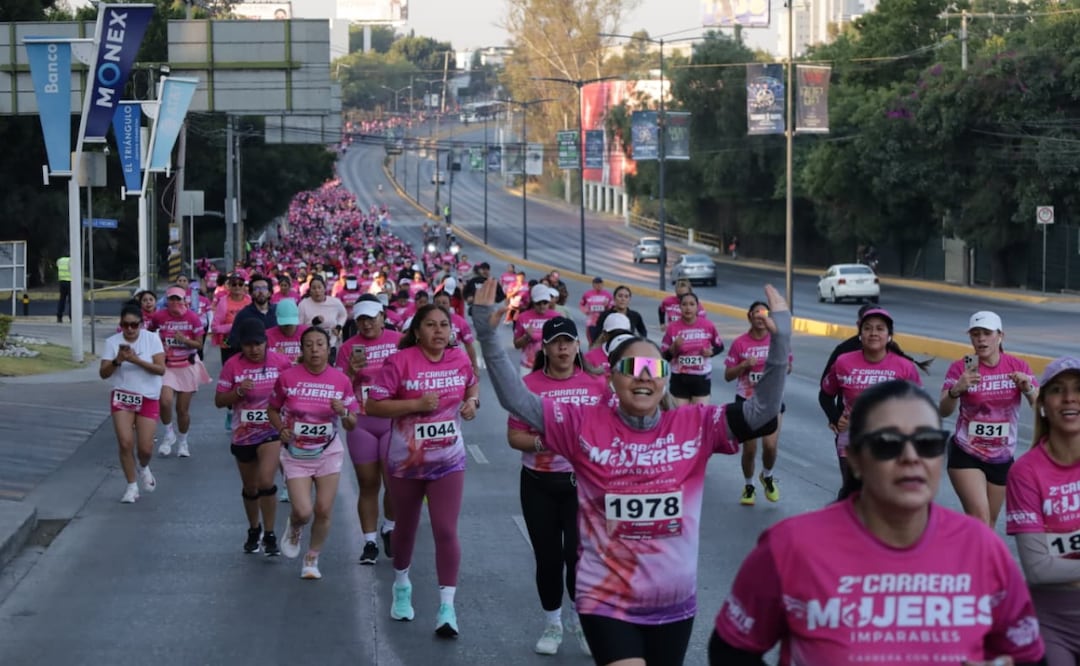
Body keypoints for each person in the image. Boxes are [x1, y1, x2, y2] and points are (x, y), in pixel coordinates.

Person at [472, 277, 790, 666]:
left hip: (674, 603)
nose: (643, 375)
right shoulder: (581, 423)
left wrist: (781, 342)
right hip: (606, 598)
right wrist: (488, 338)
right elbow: (517, 401)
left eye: (652, 367)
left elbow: (761, 413)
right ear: (612, 378)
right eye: (631, 367)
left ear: (663, 377)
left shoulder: (695, 424)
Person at [711, 380, 1047, 665]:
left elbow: (1029, 654)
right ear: (855, 458)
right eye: (888, 444)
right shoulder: (791, 545)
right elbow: (730, 650)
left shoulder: (981, 546)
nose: (911, 457)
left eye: (927, 443)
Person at [365, 303, 480, 639]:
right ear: (417, 331)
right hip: (406, 462)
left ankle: (447, 607)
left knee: (445, 529)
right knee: (406, 528)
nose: (439, 331)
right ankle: (402, 584)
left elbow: (472, 385)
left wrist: (473, 403)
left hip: (449, 459)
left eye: (444, 325)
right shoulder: (399, 362)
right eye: (431, 325)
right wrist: (415, 405)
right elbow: (373, 404)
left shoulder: (459, 359)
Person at [507, 317, 606, 656]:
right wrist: (542, 442)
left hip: (583, 486)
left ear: (578, 346)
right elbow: (514, 436)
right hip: (539, 483)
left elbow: (615, 427)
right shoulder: (530, 385)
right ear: (544, 348)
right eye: (555, 342)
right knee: (549, 560)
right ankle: (552, 624)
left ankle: (580, 621)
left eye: (568, 341)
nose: (562, 347)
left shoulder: (598, 383)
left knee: (579, 557)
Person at [268, 327, 360, 580]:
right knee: (304, 510)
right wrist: (280, 430)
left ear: (328, 348)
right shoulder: (287, 378)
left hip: (328, 452)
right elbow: (273, 409)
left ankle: (312, 557)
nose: (314, 349)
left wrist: (342, 412)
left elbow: (352, 423)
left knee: (323, 510)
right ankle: (296, 525)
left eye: (320, 344)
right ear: (302, 349)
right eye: (309, 345)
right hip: (296, 454)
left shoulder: (340, 380)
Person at [1006, 356, 1080, 666]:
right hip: (1052, 621)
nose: (1070, 398)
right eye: (1058, 390)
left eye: (1079, 389)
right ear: (1043, 405)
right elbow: (1038, 568)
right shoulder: (1026, 472)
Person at [940, 311, 1038, 527]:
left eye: (986, 333)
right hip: (967, 452)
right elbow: (943, 411)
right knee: (980, 519)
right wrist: (957, 389)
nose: (981, 339)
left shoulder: (1017, 366)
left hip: (1002, 456)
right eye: (975, 334)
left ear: (1000, 335)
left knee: (988, 525)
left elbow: (1040, 407)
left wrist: (1028, 388)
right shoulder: (961, 368)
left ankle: (970, 560)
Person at [820, 307, 925, 496]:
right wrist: (835, 418)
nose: (873, 333)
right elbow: (825, 394)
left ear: (889, 335)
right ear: (860, 334)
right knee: (856, 495)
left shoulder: (904, 367)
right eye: (868, 328)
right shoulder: (843, 361)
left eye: (879, 328)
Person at [215, 318, 293, 556]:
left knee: (265, 482)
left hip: (271, 430)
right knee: (250, 487)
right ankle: (254, 529)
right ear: (241, 345)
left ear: (266, 342)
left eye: (258, 344)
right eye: (248, 345)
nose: (254, 349)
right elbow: (219, 401)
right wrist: (238, 392)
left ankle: (270, 533)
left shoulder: (281, 363)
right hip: (243, 433)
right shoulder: (232, 366)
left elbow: (294, 391)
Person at [337, 298, 402, 565]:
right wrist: (351, 372)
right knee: (368, 483)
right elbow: (339, 388)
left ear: (382, 316)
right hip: (362, 421)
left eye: (371, 318)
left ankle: (389, 526)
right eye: (361, 319)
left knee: (394, 483)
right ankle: (369, 542)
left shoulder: (399, 341)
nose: (366, 324)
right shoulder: (348, 348)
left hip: (391, 420)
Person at [725, 301, 792, 506]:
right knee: (750, 450)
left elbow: (788, 368)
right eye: (756, 313)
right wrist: (744, 365)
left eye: (765, 313)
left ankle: (767, 475)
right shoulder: (740, 343)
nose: (760, 317)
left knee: (770, 447)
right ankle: (749, 485)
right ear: (750, 317)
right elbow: (728, 375)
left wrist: (775, 368)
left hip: (772, 400)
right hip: (746, 401)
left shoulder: (777, 341)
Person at [100, 305, 166, 503]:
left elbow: (160, 369)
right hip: (123, 396)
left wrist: (136, 360)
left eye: (134, 325)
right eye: (125, 325)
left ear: (141, 324)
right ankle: (131, 486)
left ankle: (143, 467)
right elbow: (103, 373)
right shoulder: (112, 343)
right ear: (120, 325)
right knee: (125, 442)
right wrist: (117, 361)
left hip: (147, 396)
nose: (129, 329)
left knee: (145, 449)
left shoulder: (151, 339)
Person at [150, 286, 211, 458]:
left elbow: (199, 345)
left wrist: (185, 340)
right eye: (171, 299)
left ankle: (183, 442)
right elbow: (149, 331)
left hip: (186, 365)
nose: (175, 302)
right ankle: (169, 434)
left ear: (185, 301)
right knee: (165, 401)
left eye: (178, 299)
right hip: (168, 365)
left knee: (182, 410)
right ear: (167, 301)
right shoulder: (160, 316)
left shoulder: (192, 318)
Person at [661, 292, 725, 406]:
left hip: (701, 377)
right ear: (679, 307)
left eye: (691, 304)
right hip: (680, 378)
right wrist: (674, 347)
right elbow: (665, 357)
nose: (688, 308)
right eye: (684, 304)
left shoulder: (708, 325)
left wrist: (711, 352)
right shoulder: (672, 328)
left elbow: (720, 346)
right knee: (681, 416)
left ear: (697, 307)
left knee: (699, 416)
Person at [298, 274, 348, 358]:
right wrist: (313, 323)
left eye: (319, 287)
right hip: (312, 347)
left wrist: (339, 326)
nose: (317, 291)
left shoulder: (335, 302)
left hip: (331, 344)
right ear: (310, 290)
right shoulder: (304, 304)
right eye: (314, 288)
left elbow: (343, 315)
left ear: (324, 289)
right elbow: (299, 326)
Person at [514, 284, 559, 376]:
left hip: (550, 365)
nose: (542, 306)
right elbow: (516, 345)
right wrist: (526, 337)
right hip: (528, 365)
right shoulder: (523, 317)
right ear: (533, 302)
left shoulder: (557, 317)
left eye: (545, 302)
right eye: (538, 303)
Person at [228, 274, 277, 350]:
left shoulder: (278, 312)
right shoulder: (243, 315)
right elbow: (233, 340)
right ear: (251, 293)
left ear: (269, 292)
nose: (260, 292)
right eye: (256, 289)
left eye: (264, 288)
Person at [212, 274, 251, 366]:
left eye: (240, 284)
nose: (237, 287)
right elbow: (215, 327)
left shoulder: (249, 300)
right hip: (228, 342)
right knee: (229, 370)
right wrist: (233, 327)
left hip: (246, 341)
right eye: (234, 284)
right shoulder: (223, 302)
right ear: (229, 286)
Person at [579, 277, 614, 344]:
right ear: (593, 285)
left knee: (603, 342)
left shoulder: (607, 295)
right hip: (591, 322)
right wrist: (586, 311)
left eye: (600, 284)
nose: (598, 286)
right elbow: (581, 304)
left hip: (604, 323)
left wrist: (607, 307)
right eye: (596, 284)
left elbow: (612, 305)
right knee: (592, 342)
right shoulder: (587, 294)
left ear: (602, 285)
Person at [56, 254, 71, 323]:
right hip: (70, 282)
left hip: (61, 281)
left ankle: (59, 317)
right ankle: (72, 317)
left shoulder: (60, 260)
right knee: (72, 301)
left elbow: (57, 266)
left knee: (62, 300)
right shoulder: (70, 261)